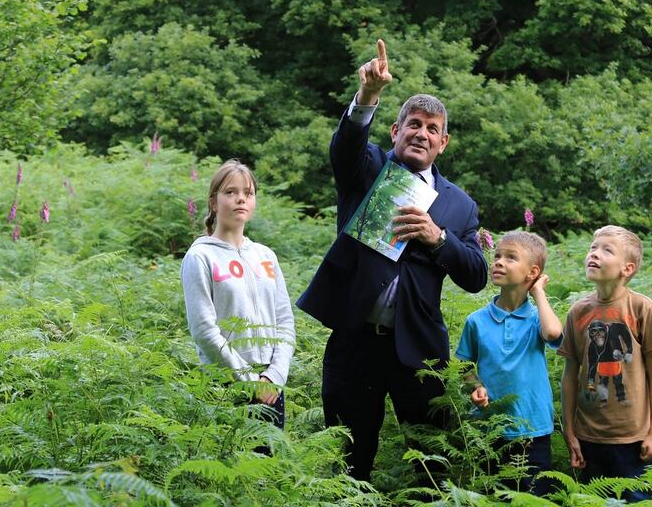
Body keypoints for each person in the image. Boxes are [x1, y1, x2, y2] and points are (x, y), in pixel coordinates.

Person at [296, 39, 488, 481]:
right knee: (349, 459)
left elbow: (476, 275)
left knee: (431, 464)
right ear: (395, 131)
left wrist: (438, 239)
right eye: (413, 124)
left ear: (443, 142)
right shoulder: (366, 170)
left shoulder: (459, 205)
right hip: (354, 341)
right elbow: (345, 147)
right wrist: (367, 95)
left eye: (431, 128)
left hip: (420, 350)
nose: (421, 133)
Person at [181, 159, 296, 429]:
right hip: (225, 387)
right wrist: (247, 383)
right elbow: (203, 330)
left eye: (248, 193)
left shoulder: (266, 256)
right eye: (230, 192)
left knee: (269, 469)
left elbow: (285, 322)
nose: (240, 199)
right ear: (213, 202)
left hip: (270, 388)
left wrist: (274, 376)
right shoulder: (200, 257)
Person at [559, 225, 652, 503]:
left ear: (627, 268)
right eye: (593, 247)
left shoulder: (642, 308)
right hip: (588, 438)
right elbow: (570, 375)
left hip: (632, 440)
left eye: (607, 250)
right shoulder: (578, 312)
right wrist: (569, 431)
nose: (594, 254)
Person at [454, 231, 563, 496]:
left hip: (532, 429)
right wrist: (475, 386)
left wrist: (538, 293)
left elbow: (552, 334)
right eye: (498, 255)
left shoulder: (537, 318)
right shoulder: (477, 321)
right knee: (494, 497)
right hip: (490, 429)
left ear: (532, 272)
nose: (499, 262)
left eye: (511, 258)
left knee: (534, 498)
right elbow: (464, 366)